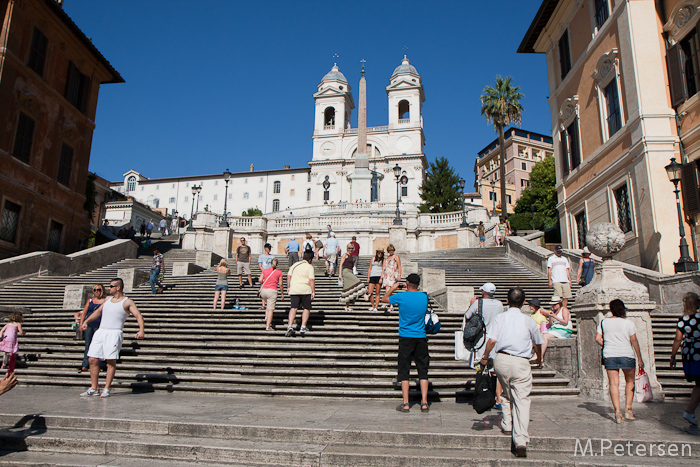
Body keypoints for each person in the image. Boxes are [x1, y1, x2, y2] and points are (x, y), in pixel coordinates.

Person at [479, 287, 543, 458]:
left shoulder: (500, 318)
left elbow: (492, 340)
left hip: (502, 360)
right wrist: (539, 359)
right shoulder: (528, 320)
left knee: (506, 393)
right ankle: (520, 440)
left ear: (507, 301)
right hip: (521, 361)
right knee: (521, 399)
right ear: (523, 303)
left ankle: (507, 424)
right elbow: (538, 342)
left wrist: (485, 356)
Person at [79, 278, 145, 398]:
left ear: (118, 287)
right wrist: (86, 321)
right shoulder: (108, 299)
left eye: (111, 286)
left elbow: (138, 315)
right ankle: (94, 387)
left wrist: (141, 330)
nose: (109, 288)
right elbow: (98, 312)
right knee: (92, 359)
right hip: (101, 332)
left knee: (111, 361)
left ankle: (106, 388)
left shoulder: (127, 302)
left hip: (114, 333)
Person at [383, 273, 430, 413]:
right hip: (421, 336)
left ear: (407, 283)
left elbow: (385, 299)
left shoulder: (401, 297)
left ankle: (406, 403)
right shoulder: (424, 296)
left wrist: (394, 287)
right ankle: (425, 402)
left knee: (404, 370)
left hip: (406, 337)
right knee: (423, 370)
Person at [596, 299, 645, 424]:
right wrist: (639, 357)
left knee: (613, 383)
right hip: (626, 354)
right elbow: (634, 340)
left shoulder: (604, 322)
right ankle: (628, 410)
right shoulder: (628, 323)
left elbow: (597, 338)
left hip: (609, 354)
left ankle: (617, 412)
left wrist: (606, 345)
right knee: (630, 381)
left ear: (611, 309)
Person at [464, 283, 504, 408]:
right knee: (494, 371)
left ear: (483, 292)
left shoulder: (478, 303)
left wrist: (471, 304)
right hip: (496, 340)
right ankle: (495, 398)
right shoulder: (499, 304)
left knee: (480, 369)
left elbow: (467, 316)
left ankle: (481, 396)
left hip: (482, 340)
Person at [670, 291, 700, 426]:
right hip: (699, 350)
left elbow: (678, 339)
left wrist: (673, 355)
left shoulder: (682, 320)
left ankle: (690, 411)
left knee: (698, 382)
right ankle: (689, 410)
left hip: (689, 351)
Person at [76, 284, 107, 373]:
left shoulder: (105, 301)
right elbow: (84, 312)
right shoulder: (90, 301)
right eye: (95, 290)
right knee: (88, 345)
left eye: (98, 290)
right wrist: (81, 323)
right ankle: (85, 364)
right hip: (89, 325)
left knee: (99, 345)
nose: (96, 291)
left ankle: (99, 364)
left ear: (102, 291)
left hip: (100, 325)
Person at [285, 252, 315, 337]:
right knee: (306, 308)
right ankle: (303, 326)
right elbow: (311, 279)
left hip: (294, 289)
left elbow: (288, 276)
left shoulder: (295, 265)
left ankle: (290, 326)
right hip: (305, 289)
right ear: (309, 260)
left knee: (293, 308)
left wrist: (288, 287)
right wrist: (313, 291)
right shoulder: (309, 267)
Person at [539, 296, 573, 361]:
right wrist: (550, 317)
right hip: (555, 329)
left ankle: (540, 356)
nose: (554, 305)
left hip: (564, 330)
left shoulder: (564, 310)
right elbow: (551, 324)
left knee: (545, 336)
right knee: (540, 335)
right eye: (553, 304)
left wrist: (555, 317)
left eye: (555, 304)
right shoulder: (553, 311)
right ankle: (537, 355)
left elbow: (565, 322)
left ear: (559, 304)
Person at [338, 243, 368, 311]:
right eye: (349, 248)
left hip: (350, 271)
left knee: (347, 288)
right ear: (347, 248)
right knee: (358, 281)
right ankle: (364, 294)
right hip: (346, 272)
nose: (350, 249)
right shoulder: (345, 255)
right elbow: (341, 265)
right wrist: (340, 275)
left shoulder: (351, 256)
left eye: (352, 248)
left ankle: (346, 306)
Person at [260, 258, 284, 331]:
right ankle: (268, 326)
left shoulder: (265, 270)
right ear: (277, 264)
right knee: (270, 309)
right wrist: (282, 293)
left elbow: (260, 280)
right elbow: (280, 284)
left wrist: (264, 284)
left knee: (268, 305)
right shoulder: (279, 272)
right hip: (272, 290)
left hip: (263, 290)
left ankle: (266, 318)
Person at [380, 244, 402, 312]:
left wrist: (399, 275)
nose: (391, 251)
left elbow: (399, 266)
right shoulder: (386, 259)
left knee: (390, 289)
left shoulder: (396, 257)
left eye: (392, 250)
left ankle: (387, 303)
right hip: (387, 275)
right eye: (389, 250)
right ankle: (390, 305)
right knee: (388, 289)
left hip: (393, 274)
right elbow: (383, 268)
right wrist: (381, 277)